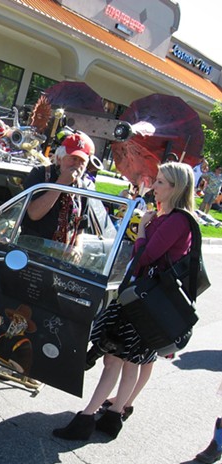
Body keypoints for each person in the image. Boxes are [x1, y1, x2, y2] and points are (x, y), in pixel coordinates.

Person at [52, 161, 195, 441]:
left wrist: (142, 229)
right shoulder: (172, 217)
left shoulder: (176, 220)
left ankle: (87, 418)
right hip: (147, 302)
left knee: (113, 359)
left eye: (161, 182)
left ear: (176, 188)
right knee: (129, 362)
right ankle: (114, 416)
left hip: (142, 302)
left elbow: (145, 257)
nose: (154, 187)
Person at [21, 131, 96, 261]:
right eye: (73, 158)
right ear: (60, 158)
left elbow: (80, 227)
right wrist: (61, 183)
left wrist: (78, 247)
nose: (77, 165)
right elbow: (33, 214)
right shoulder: (40, 175)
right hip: (31, 255)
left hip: (62, 260)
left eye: (82, 161)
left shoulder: (82, 188)